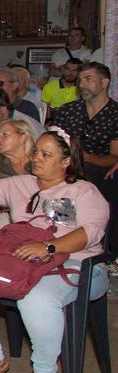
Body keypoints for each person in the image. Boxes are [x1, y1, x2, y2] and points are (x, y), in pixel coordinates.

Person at [0, 128, 109, 373]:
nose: (36, 158)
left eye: (45, 154)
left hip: (79, 267)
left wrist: (50, 247)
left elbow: (91, 232)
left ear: (66, 161)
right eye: (36, 152)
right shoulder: (21, 184)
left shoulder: (84, 191)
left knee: (36, 299)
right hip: (24, 264)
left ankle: (44, 372)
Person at [59, 63, 118, 262]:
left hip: (101, 170)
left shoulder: (115, 114)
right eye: (80, 80)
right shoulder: (68, 111)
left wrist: (85, 157)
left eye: (88, 79)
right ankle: (59, 239)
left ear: (104, 82)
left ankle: (106, 250)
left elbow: (114, 157)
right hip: (66, 166)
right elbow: (54, 141)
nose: (82, 84)